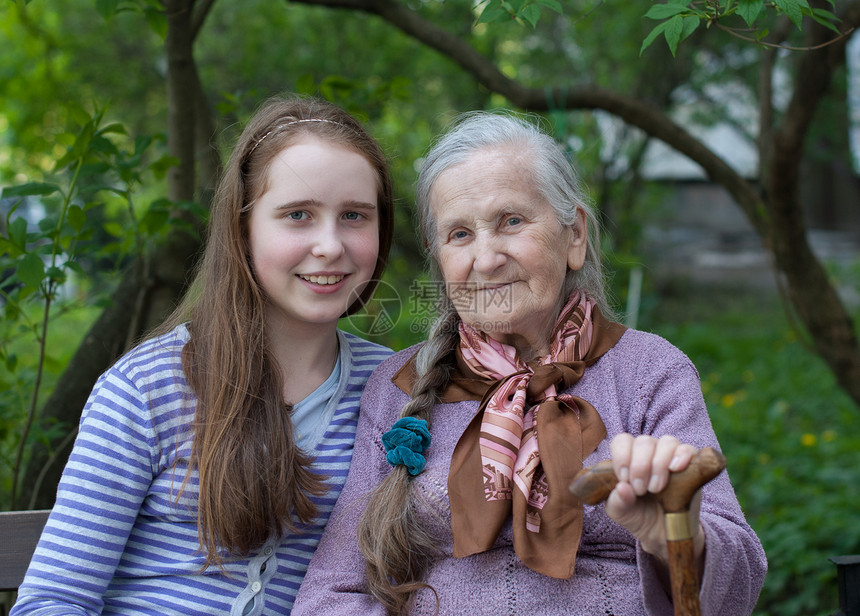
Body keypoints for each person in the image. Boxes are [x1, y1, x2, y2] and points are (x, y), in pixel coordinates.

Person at [292, 111, 767, 615]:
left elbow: (736, 589)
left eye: (511, 221)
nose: (487, 257)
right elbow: (330, 593)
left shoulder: (649, 372)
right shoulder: (400, 389)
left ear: (575, 236)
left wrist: (675, 531)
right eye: (459, 235)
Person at [11, 95, 395, 615]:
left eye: (354, 215)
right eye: (297, 215)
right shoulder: (148, 388)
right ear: (243, 229)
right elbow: (52, 601)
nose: (329, 245)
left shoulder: (392, 388)